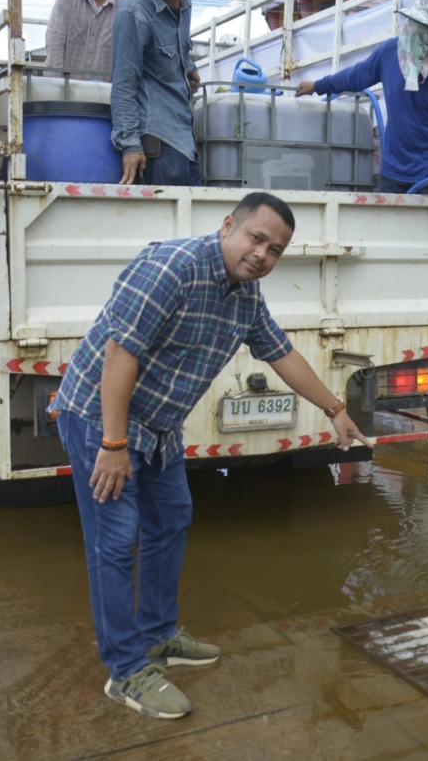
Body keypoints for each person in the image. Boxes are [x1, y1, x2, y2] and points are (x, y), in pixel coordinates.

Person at [53, 192, 369, 719]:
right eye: (256, 238)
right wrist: (112, 444)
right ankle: (127, 671)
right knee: (115, 540)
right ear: (229, 226)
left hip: (158, 425)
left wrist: (335, 407)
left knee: (172, 519)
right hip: (100, 416)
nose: (262, 254)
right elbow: (119, 352)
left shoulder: (245, 295)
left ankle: (158, 635)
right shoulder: (172, 268)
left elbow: (282, 353)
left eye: (275, 249)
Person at [294, 0, 428, 195]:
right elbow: (357, 75)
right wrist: (318, 85)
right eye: (420, 24)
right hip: (392, 175)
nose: (424, 33)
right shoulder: (390, 53)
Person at [111, 0, 204, 186]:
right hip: (157, 142)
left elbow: (176, 47)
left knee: (195, 223)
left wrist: (188, 66)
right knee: (165, 227)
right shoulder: (135, 12)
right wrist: (130, 144)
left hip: (186, 139)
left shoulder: (184, 3)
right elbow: (123, 83)